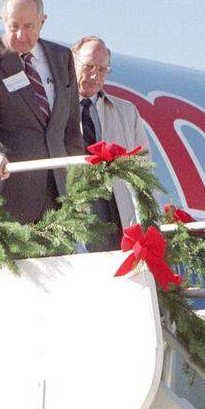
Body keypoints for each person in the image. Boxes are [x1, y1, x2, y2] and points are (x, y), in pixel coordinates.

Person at [0, 0, 81, 225]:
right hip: (9, 192)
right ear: (2, 20)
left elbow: (70, 127)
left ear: (43, 22)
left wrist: (76, 178)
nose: (20, 35)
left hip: (59, 195)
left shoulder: (61, 57)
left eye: (29, 27)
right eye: (13, 26)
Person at [71, 35, 148, 250]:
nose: (95, 75)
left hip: (116, 207)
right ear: (71, 63)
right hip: (74, 204)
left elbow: (144, 168)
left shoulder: (126, 112)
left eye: (103, 69)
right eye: (88, 66)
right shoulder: (53, 108)